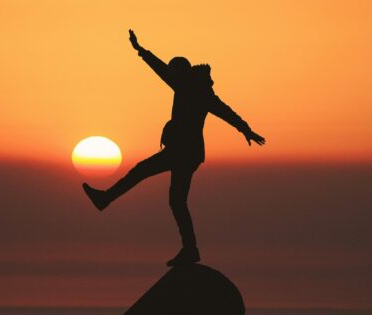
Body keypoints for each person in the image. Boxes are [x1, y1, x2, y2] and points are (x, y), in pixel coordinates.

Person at [83, 30, 266, 266]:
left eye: (174, 71)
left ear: (181, 71)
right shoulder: (199, 89)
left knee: (145, 174)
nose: (171, 75)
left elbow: (163, 71)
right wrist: (245, 129)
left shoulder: (188, 86)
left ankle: (106, 199)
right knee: (176, 200)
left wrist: (141, 51)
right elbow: (225, 111)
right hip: (187, 153)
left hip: (182, 152)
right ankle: (190, 249)